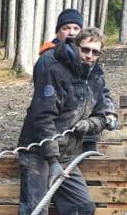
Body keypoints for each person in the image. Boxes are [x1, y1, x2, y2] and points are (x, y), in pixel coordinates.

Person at [12, 27, 117, 215]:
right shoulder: (54, 69)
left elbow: (105, 110)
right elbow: (41, 118)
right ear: (76, 46)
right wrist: (53, 159)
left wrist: (91, 123)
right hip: (38, 153)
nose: (90, 56)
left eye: (96, 52)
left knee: (82, 207)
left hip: (69, 155)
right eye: (86, 50)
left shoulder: (95, 75)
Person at [34, 9, 116, 152]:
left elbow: (101, 90)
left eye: (76, 28)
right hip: (60, 135)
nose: (71, 32)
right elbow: (44, 103)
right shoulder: (48, 59)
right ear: (57, 32)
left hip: (87, 131)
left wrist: (108, 113)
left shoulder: (89, 56)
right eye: (66, 28)